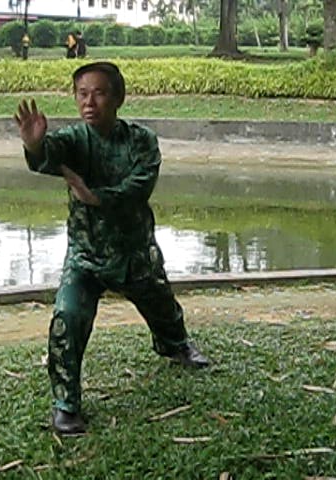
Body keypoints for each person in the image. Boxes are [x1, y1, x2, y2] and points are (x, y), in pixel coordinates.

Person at [14, 62, 210, 435]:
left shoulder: (141, 140)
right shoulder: (74, 139)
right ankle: (65, 406)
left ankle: (176, 346)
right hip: (86, 258)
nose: (90, 102)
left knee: (163, 307)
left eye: (100, 93)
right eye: (82, 94)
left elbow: (140, 184)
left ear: (118, 98)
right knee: (67, 319)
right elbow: (47, 155)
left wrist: (97, 197)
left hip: (134, 253)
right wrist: (34, 143)